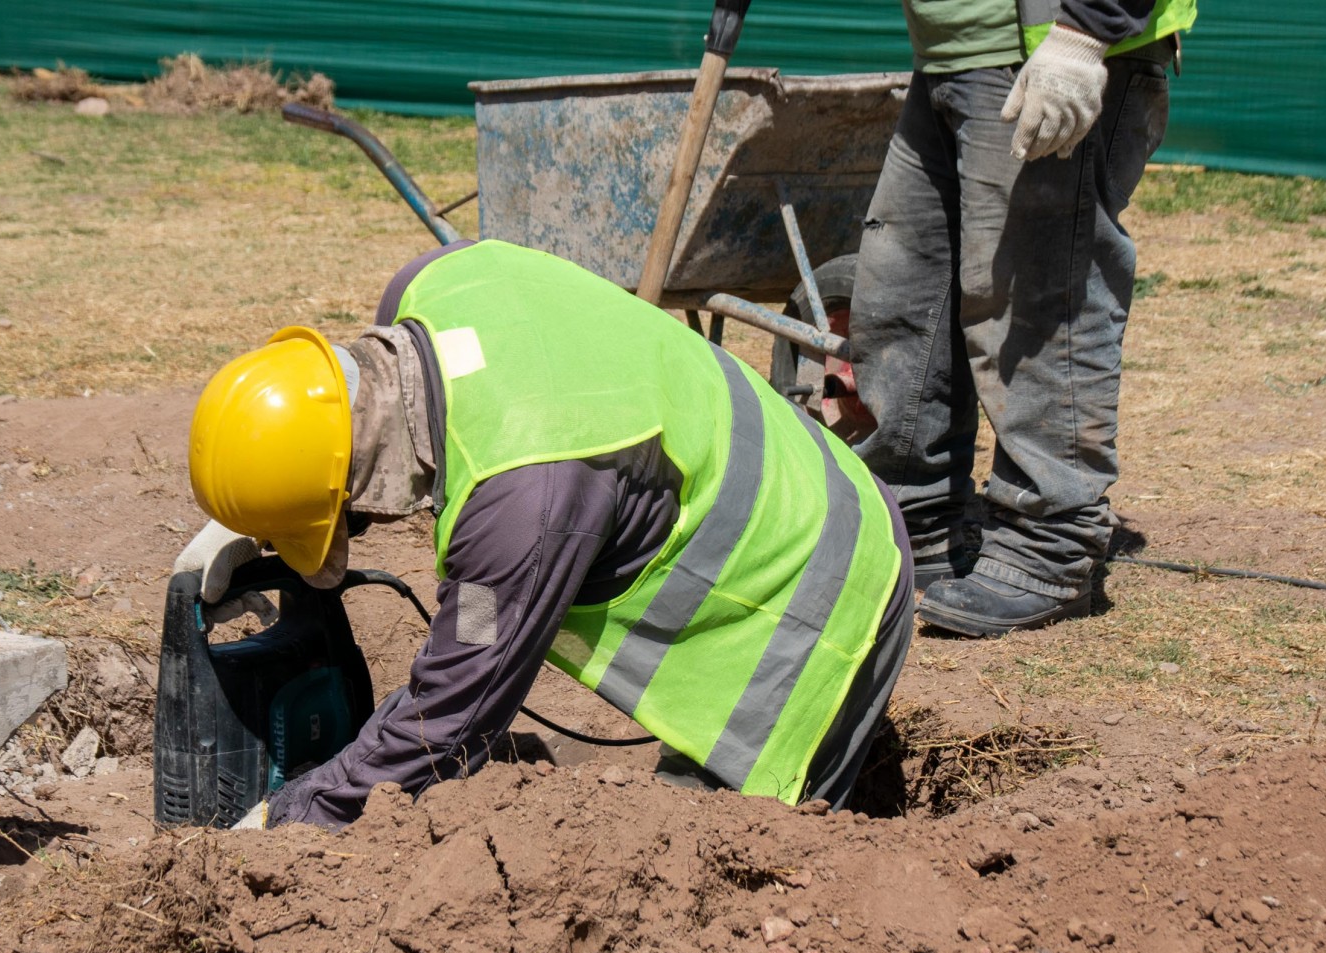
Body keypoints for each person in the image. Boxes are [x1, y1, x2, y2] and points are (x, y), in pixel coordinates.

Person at [176, 239, 913, 830]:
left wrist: (297, 816)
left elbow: (451, 717)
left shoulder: (520, 506)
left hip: (831, 594)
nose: (362, 531)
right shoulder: (432, 281)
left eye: (348, 520)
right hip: (791, 473)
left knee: (707, 865)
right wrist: (258, 507)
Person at [849, 0, 1195, 636]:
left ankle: (1048, 544)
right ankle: (915, 522)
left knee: (1039, 301)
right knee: (903, 293)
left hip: (1054, 46)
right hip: (954, 53)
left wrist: (1084, 33)